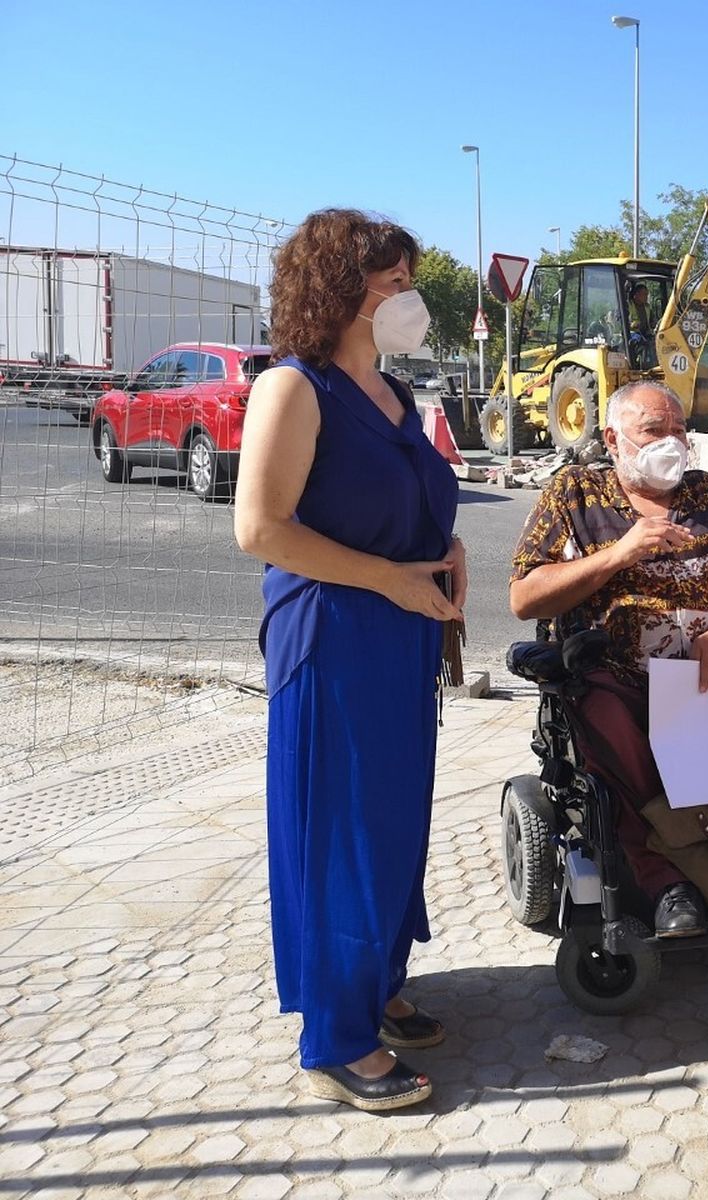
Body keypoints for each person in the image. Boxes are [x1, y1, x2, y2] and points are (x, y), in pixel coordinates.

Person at [235, 209, 465, 1112]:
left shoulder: (397, 396)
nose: (410, 297)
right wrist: (390, 580)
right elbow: (260, 528)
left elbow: (414, 501)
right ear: (341, 292)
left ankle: (377, 984)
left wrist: (447, 556)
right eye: (394, 283)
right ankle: (336, 1036)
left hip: (403, 629)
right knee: (340, 831)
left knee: (392, 822)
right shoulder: (295, 388)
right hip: (334, 636)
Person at [508, 381, 708, 938]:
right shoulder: (575, 494)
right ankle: (666, 881)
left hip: (703, 673)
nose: (672, 442)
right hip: (616, 673)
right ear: (613, 438)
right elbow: (524, 597)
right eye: (653, 431)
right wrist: (618, 554)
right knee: (614, 733)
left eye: (679, 430)